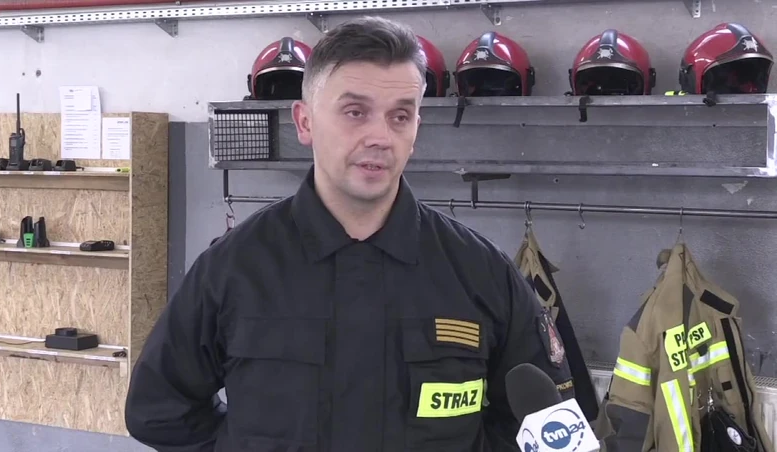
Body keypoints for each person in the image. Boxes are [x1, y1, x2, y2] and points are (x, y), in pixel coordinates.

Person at [124, 16, 576, 452]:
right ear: (305, 122)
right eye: (355, 112)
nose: (380, 136)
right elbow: (158, 410)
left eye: (400, 116)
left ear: (416, 129)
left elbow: (547, 424)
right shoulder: (234, 269)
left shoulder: (481, 273)